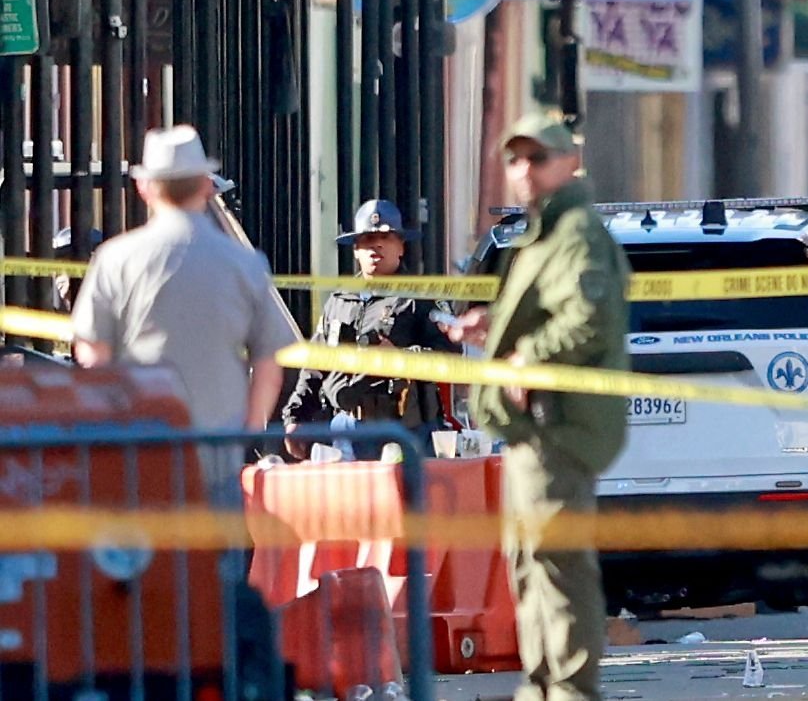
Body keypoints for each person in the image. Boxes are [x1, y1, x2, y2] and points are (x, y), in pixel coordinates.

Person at [443, 114, 630, 701]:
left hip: (560, 423)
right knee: (529, 561)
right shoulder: (542, 233)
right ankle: (544, 684)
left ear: (569, 162)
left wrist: (528, 356)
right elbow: (553, 311)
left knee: (558, 562)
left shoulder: (575, 231)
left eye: (538, 157)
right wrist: (495, 326)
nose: (526, 170)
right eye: (516, 159)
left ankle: (571, 688)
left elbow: (588, 318)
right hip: (532, 427)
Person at [71, 127, 294, 492]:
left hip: (140, 449)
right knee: (217, 547)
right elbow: (270, 365)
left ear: (145, 187)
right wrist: (249, 430)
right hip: (217, 454)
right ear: (206, 185)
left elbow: (92, 356)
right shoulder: (246, 263)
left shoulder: (116, 259)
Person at [282, 198, 457, 459]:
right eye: (367, 239)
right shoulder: (339, 301)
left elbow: (451, 357)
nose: (376, 245)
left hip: (406, 432)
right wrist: (296, 416)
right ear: (355, 249)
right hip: (346, 430)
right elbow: (316, 364)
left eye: (385, 238)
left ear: (401, 247)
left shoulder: (422, 297)